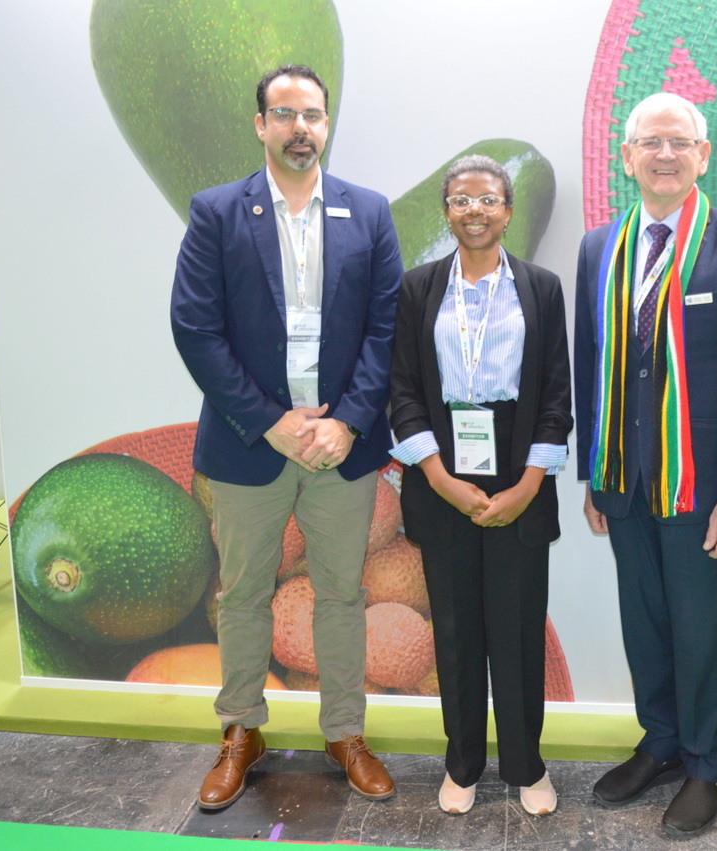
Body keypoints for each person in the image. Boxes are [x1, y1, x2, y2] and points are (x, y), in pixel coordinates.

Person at [170, 64, 402, 811]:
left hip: (341, 446)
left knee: (341, 595)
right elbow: (195, 328)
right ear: (260, 124)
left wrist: (348, 421)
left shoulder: (369, 212)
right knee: (242, 595)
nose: (300, 128)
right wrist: (269, 421)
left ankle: (346, 733)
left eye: (312, 115)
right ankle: (242, 731)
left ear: (327, 124)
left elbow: (386, 328)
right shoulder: (217, 212)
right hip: (250, 444)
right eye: (284, 114)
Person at [574, 92, 717, 838]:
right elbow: (590, 361)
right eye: (651, 142)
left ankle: (708, 762)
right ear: (627, 156)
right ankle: (660, 743)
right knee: (645, 626)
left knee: (699, 631)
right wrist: (594, 473)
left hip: (702, 485)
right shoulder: (599, 247)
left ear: (704, 155)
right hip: (624, 481)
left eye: (679, 142)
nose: (665, 154)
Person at [389, 155, 571, 817]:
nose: (475, 211)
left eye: (488, 199)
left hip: (519, 472)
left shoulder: (541, 287)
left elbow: (556, 394)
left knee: (517, 631)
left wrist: (527, 485)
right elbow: (402, 391)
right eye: (462, 200)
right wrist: (438, 476)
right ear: (447, 211)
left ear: (508, 211)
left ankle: (526, 766)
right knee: (457, 632)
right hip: (441, 473)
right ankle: (462, 765)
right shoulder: (417, 288)